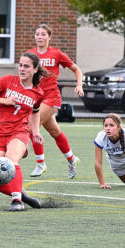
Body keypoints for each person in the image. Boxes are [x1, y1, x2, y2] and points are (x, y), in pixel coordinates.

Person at [0, 52, 45, 211]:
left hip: (19, 131)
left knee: (11, 160)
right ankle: (21, 194)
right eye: (20, 65)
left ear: (35, 69)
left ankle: (16, 201)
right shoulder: (7, 80)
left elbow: (35, 111)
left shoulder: (38, 93)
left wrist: (35, 130)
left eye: (27, 66)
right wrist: (5, 101)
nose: (22, 69)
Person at [27, 24, 84, 179]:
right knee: (54, 132)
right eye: (37, 34)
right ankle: (72, 159)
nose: (39, 37)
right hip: (36, 98)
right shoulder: (30, 55)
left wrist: (79, 85)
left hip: (52, 97)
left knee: (32, 127)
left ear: (49, 37)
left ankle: (40, 164)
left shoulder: (56, 54)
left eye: (43, 34)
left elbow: (76, 69)